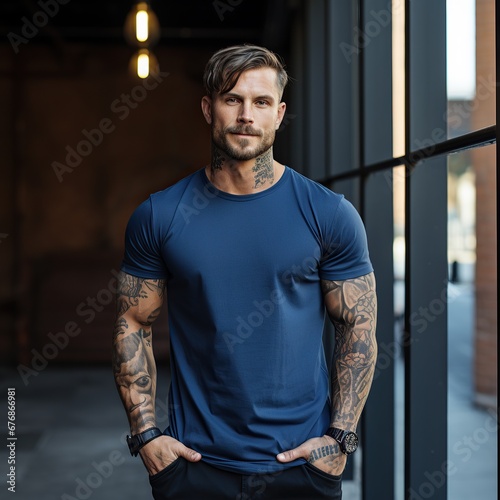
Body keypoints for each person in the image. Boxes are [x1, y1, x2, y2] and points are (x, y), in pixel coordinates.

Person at [112, 44, 377, 500]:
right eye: (231, 99)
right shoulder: (160, 215)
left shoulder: (328, 213)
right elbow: (132, 321)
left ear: (279, 114)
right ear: (207, 108)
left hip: (302, 464)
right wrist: (146, 436)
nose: (245, 115)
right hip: (194, 466)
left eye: (261, 102)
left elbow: (359, 323)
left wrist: (341, 438)